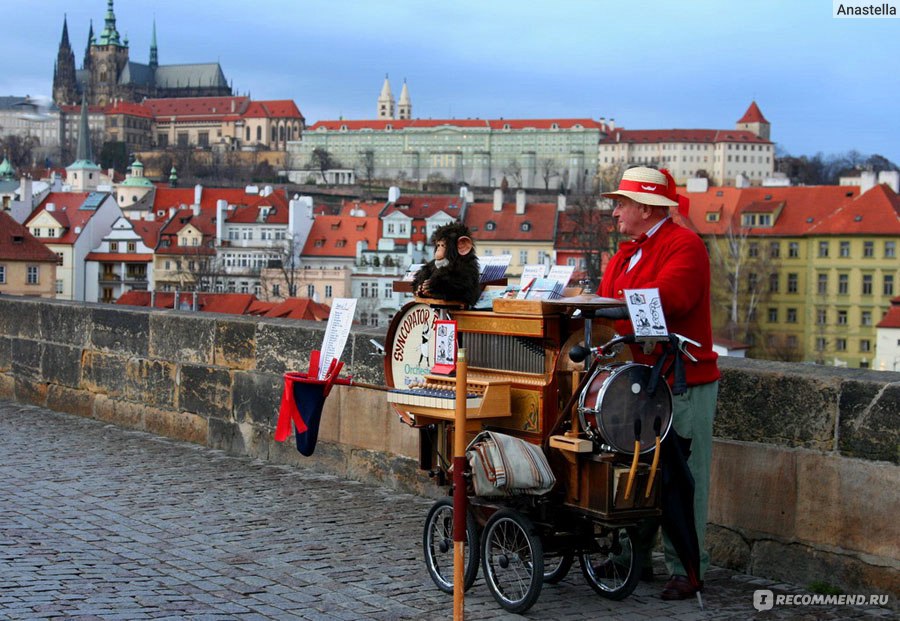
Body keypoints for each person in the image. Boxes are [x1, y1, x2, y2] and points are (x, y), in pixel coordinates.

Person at [599, 166, 720, 601]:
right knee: (636, 473)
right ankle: (634, 556)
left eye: (622, 204)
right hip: (638, 382)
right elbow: (610, 303)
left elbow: (670, 300)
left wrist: (611, 308)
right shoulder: (625, 254)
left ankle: (687, 568)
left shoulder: (684, 245)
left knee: (683, 478)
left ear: (646, 209)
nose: (614, 212)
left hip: (681, 381)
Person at [412, 221, 480, 307]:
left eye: (443, 246)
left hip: (458, 309)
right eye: (438, 245)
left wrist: (436, 287)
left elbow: (461, 287)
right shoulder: (434, 265)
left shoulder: (466, 265)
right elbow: (419, 277)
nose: (438, 250)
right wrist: (420, 286)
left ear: (461, 246)